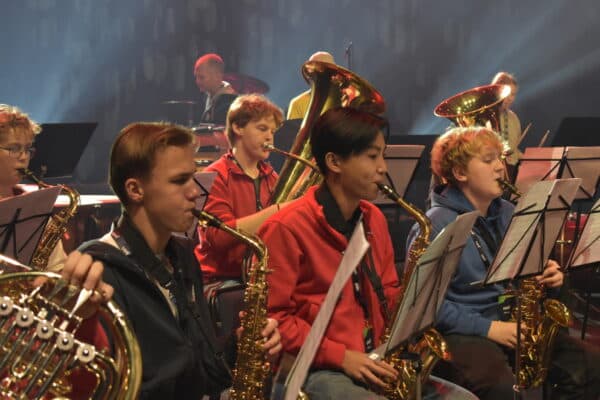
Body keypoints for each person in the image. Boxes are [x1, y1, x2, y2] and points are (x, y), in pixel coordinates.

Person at [78, 121, 281, 399]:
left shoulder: (182, 256)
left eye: (193, 179)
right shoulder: (102, 268)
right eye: (179, 181)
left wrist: (238, 346)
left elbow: (199, 366)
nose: (195, 192)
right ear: (135, 189)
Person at [407, 126, 600, 400]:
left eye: (500, 158)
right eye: (488, 160)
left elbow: (524, 274)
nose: (501, 167)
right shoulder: (437, 224)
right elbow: (423, 307)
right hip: (460, 331)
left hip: (510, 322)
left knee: (591, 367)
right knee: (501, 389)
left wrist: (549, 276)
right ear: (460, 173)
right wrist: (489, 328)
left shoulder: (509, 212)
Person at [260, 107, 401, 400]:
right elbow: (274, 320)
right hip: (312, 367)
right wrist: (341, 356)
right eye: (372, 156)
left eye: (383, 156)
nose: (383, 168)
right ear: (334, 162)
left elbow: (387, 291)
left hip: (370, 356)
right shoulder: (285, 228)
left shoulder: (374, 218)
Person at [195, 94, 287, 284]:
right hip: (221, 280)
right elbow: (218, 237)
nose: (269, 136)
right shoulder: (213, 175)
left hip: (257, 276)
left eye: (272, 131)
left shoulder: (271, 176)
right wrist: (277, 211)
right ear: (238, 128)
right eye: (262, 128)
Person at [286, 51, 335, 120]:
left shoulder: (344, 100)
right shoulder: (297, 103)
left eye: (327, 72)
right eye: (316, 72)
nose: (322, 76)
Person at [194, 53, 238, 125]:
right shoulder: (206, 96)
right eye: (196, 77)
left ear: (217, 76)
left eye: (201, 77)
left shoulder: (229, 103)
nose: (197, 81)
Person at [491, 71, 522, 170]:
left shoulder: (513, 118)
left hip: (511, 169)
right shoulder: (483, 116)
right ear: (495, 91)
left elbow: (514, 150)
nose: (510, 99)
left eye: (513, 94)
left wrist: (530, 160)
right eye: (507, 93)